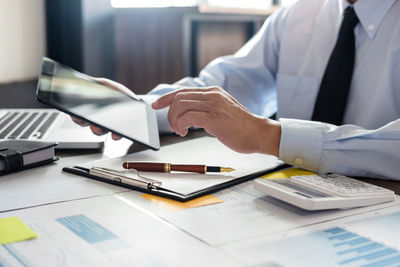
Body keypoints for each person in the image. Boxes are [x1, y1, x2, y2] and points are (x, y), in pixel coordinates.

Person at [77, 0, 400, 180]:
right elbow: (225, 87)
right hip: (294, 192)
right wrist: (133, 109)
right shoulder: (300, 13)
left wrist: (268, 135)